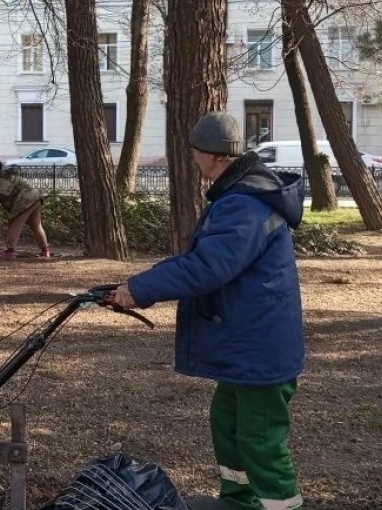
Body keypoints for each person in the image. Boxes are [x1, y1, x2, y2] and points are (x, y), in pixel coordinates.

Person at [110, 111, 306, 510]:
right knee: (227, 422)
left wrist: (140, 290)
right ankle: (239, 501)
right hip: (246, 341)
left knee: (259, 438)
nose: (194, 161)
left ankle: (281, 506)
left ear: (216, 157)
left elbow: (208, 268)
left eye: (196, 154)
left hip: (259, 347)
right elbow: (203, 258)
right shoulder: (243, 194)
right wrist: (137, 283)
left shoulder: (246, 203)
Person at [0, 160, 51, 260]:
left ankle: (10, 251)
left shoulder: (3, 179)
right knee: (36, 225)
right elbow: (0, 192)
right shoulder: (10, 175)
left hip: (24, 201)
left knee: (15, 224)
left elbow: (2, 195)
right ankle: (45, 250)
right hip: (35, 198)